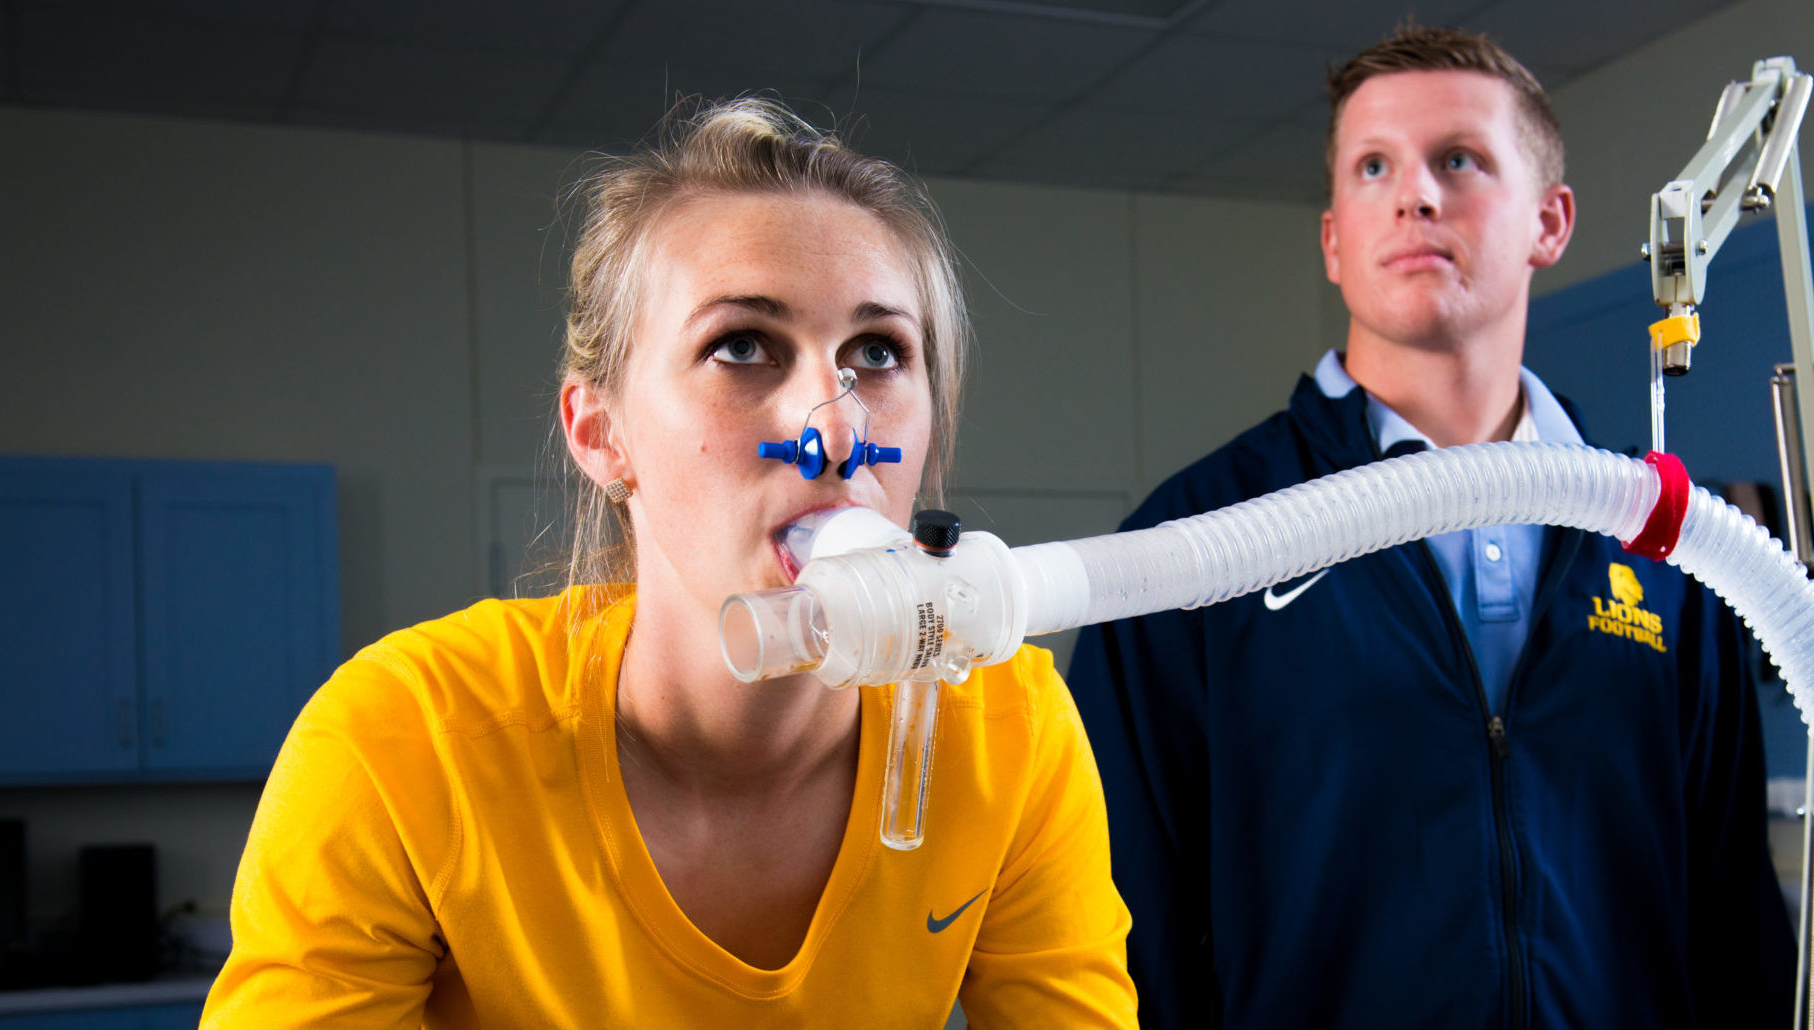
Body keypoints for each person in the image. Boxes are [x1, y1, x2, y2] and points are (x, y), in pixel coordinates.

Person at [204, 98, 1137, 1028]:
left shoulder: (1009, 732)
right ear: (601, 432)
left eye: (878, 352)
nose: (838, 432)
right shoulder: (403, 744)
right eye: (743, 347)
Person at [1065, 25, 1794, 1029]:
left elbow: (1732, 924)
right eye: (1374, 167)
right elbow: (1122, 935)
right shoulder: (1194, 545)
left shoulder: (1666, 548)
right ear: (1331, 240)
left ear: (1550, 221)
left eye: (1459, 160)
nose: (1415, 195)